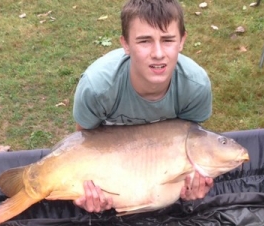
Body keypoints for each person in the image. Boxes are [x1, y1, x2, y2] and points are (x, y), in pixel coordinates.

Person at [72, 0, 213, 213]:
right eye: (144, 41)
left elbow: (189, 143)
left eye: (167, 40)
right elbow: (82, 145)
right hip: (113, 163)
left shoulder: (195, 86)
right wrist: (84, 190)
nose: (158, 53)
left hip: (153, 167)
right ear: (125, 44)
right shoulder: (97, 87)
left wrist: (193, 180)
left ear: (182, 41)